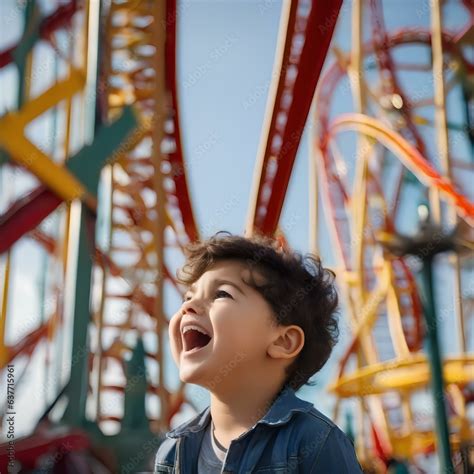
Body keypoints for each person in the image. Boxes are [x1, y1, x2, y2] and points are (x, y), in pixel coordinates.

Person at [155, 233, 362, 473]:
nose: (187, 306)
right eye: (188, 296)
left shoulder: (314, 442)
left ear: (283, 342)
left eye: (221, 294)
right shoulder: (173, 450)